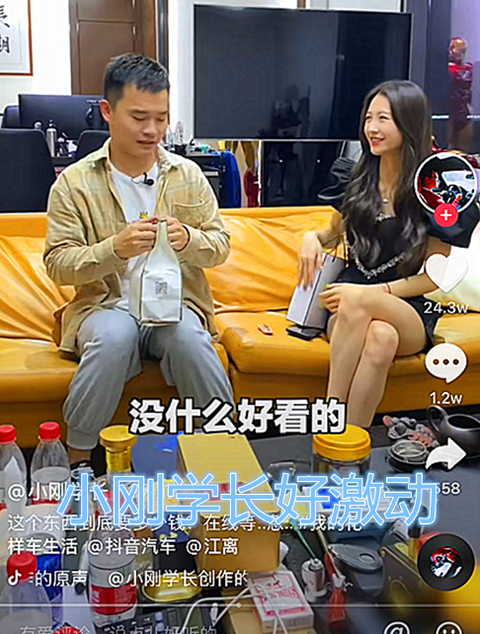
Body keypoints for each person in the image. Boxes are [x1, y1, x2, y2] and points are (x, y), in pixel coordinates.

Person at [44, 54, 234, 467]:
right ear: (108, 111)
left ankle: (222, 457)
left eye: (161, 118)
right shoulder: (74, 183)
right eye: (139, 117)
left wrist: (189, 240)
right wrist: (114, 249)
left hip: (175, 305)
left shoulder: (187, 175)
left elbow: (220, 245)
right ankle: (77, 460)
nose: (152, 130)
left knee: (190, 340)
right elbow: (57, 263)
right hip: (105, 305)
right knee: (114, 337)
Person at [298, 80, 451, 429]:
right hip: (347, 308)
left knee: (360, 303)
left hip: (405, 307)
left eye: (384, 118)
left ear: (409, 123)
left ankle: (328, 420)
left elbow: (436, 276)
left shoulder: (436, 190)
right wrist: (311, 237)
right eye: (369, 118)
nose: (372, 128)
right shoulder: (354, 178)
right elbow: (330, 232)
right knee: (381, 339)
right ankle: (349, 443)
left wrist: (372, 294)